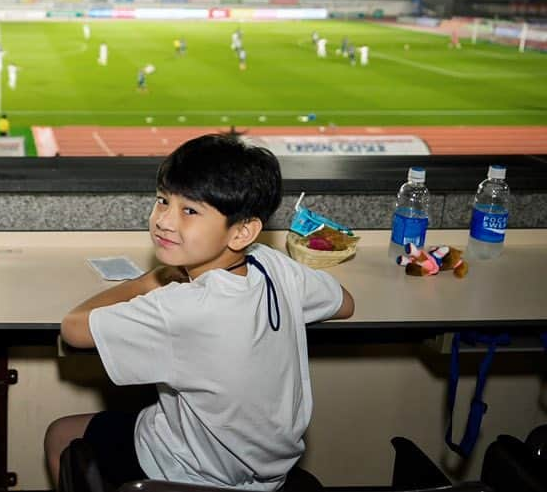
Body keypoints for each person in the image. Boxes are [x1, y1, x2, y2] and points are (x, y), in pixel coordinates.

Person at [44, 134, 354, 491]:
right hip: (270, 476)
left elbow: (73, 329)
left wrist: (149, 282)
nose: (164, 221)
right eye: (163, 201)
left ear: (242, 231)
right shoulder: (274, 264)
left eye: (189, 211)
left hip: (188, 472)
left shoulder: (181, 308)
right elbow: (344, 303)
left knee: (60, 435)